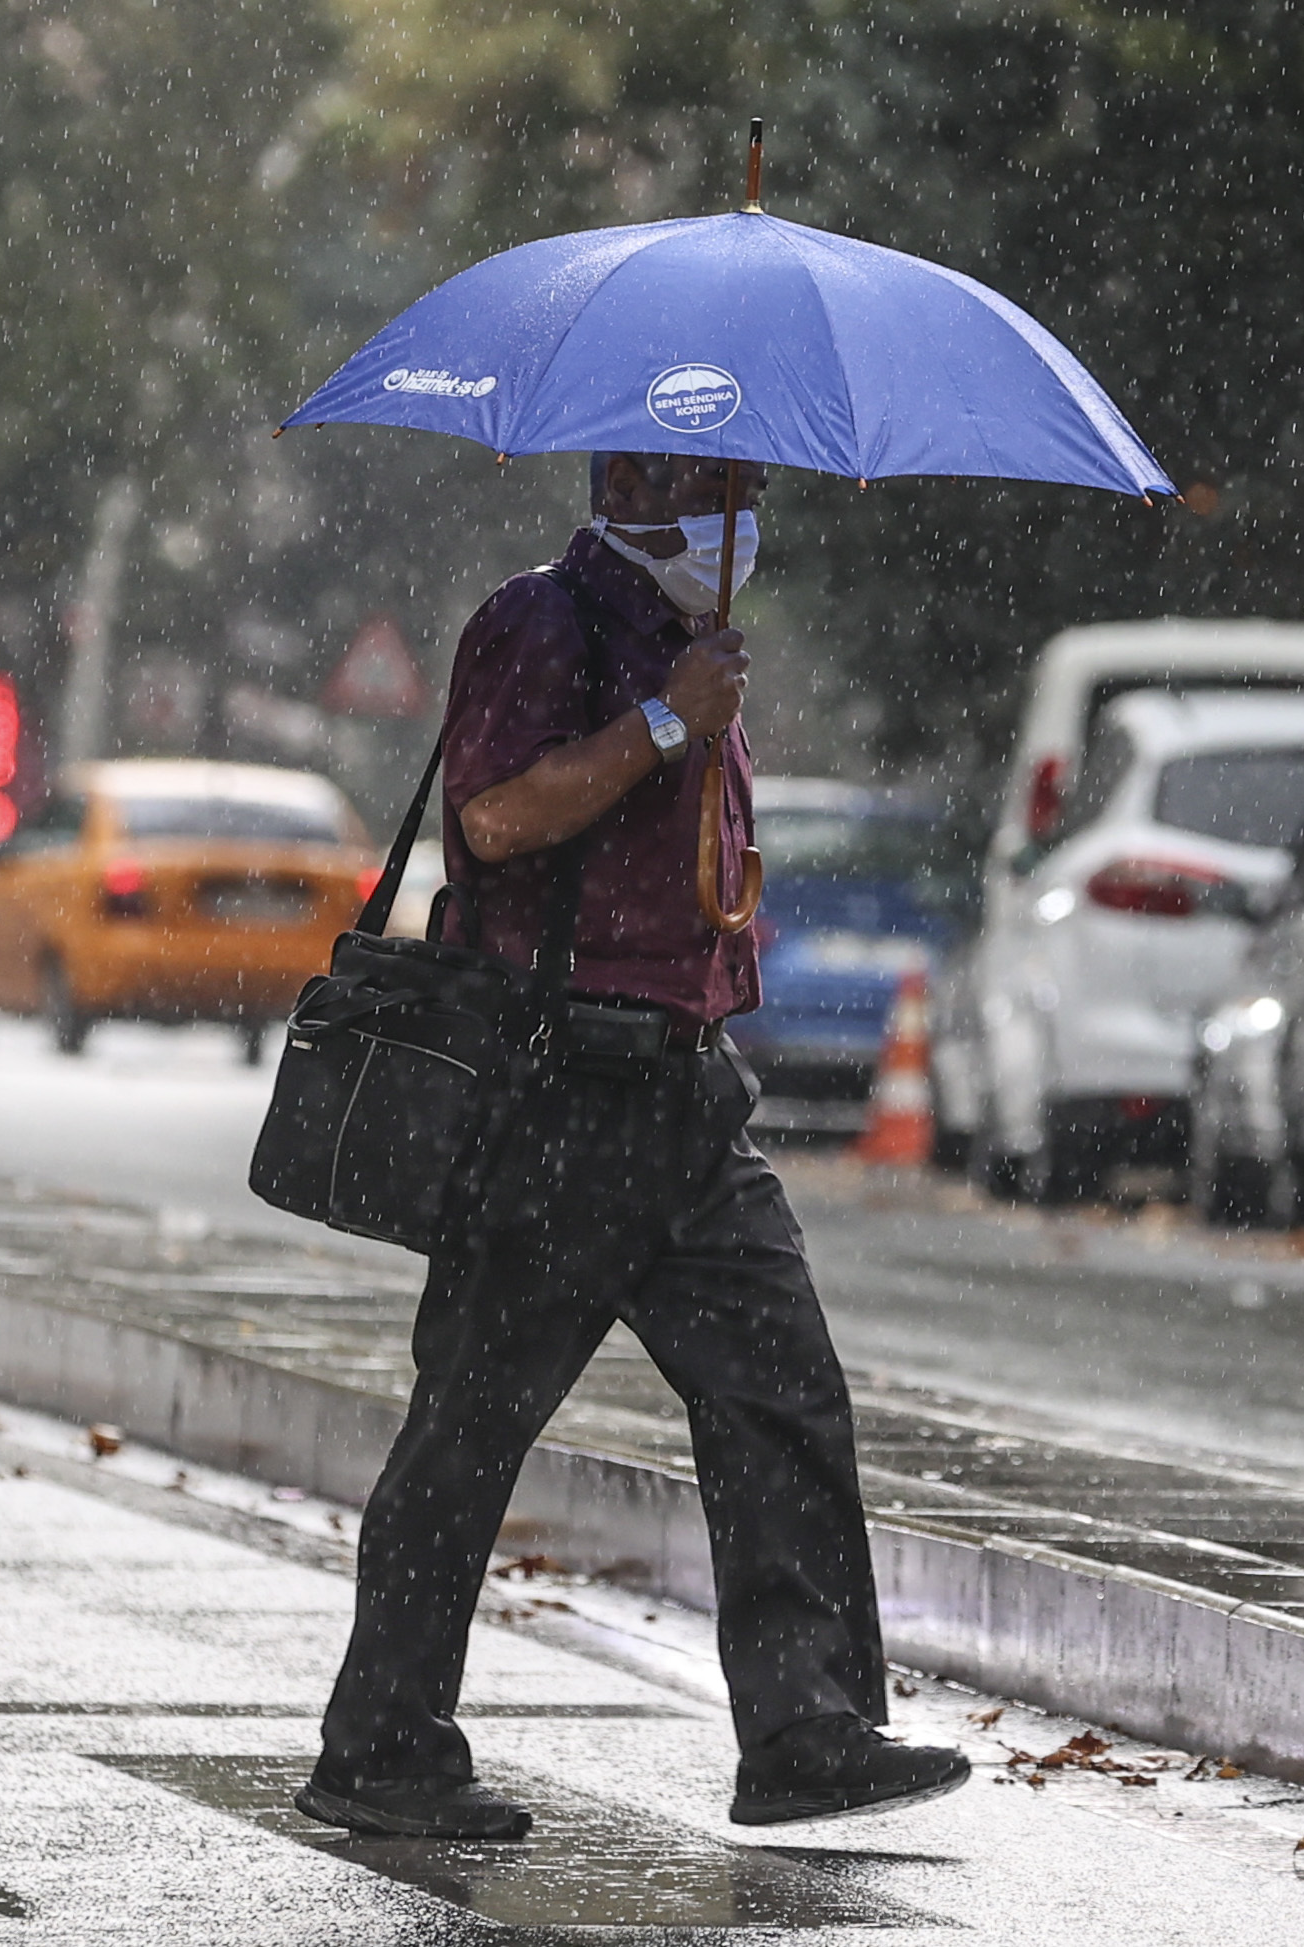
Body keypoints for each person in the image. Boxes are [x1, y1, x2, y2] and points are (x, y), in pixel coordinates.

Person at [295, 451, 969, 1841]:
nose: (753, 529)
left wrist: (689, 709)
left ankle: (807, 1729)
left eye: (762, 504)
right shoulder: (543, 622)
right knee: (471, 1430)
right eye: (737, 501)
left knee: (782, 1395)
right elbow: (495, 817)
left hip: (683, 1098)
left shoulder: (691, 645)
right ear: (651, 499)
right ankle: (381, 1748)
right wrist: (665, 723)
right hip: (557, 1100)